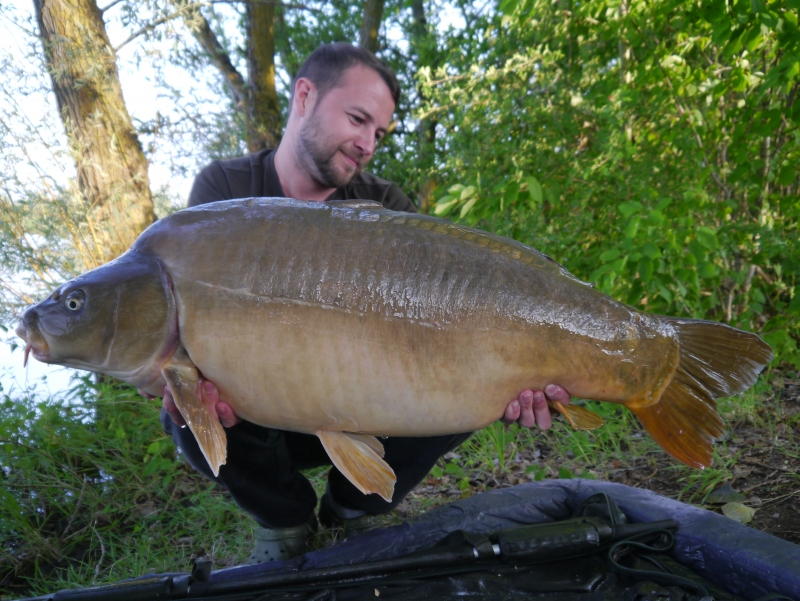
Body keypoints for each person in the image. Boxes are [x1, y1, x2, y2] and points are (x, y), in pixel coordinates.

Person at [157, 43, 572, 564]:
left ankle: (352, 508)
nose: (367, 144)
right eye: (358, 120)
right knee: (186, 412)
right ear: (304, 96)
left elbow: (441, 328)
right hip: (261, 413)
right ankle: (285, 519)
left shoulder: (388, 208)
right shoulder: (224, 193)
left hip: (365, 404)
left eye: (378, 133)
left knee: (466, 379)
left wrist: (507, 379)